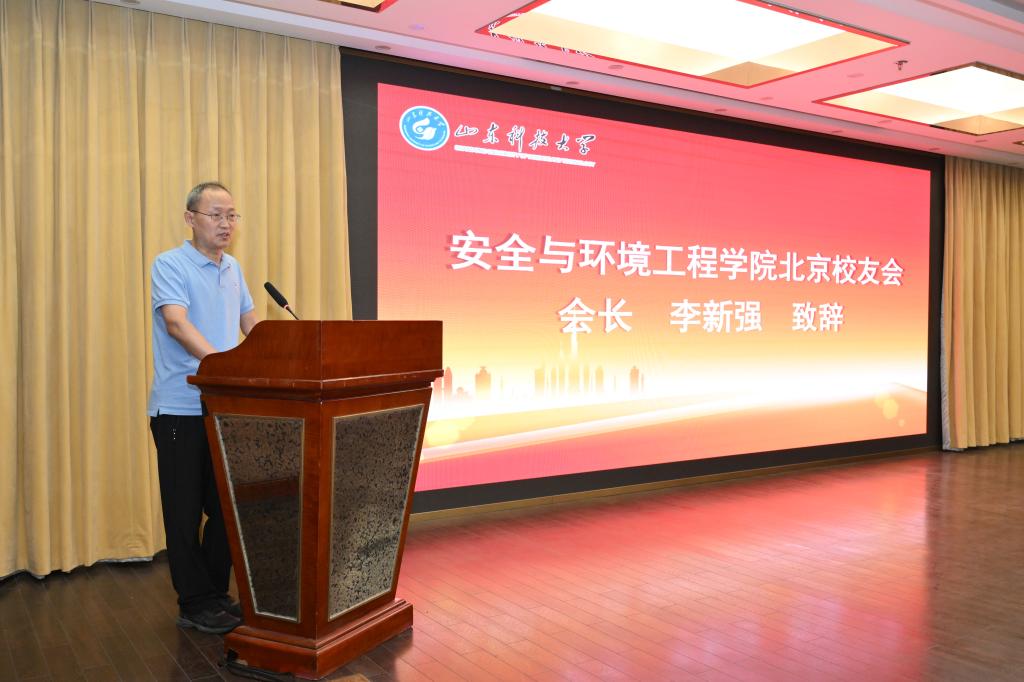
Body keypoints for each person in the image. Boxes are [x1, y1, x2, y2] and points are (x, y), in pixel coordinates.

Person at [147, 182, 258, 634]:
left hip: (223, 407)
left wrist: (283, 356)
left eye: (231, 215)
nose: (225, 223)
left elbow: (251, 325)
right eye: (216, 215)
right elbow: (176, 323)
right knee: (184, 510)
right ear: (190, 218)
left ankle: (214, 592)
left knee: (228, 505)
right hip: (179, 409)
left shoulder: (233, 268)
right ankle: (193, 603)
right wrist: (221, 367)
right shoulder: (170, 264)